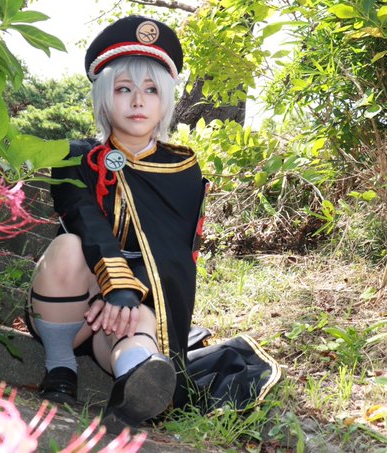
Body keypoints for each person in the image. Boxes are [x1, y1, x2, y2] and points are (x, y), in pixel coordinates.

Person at [26, 16, 281, 435]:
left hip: (129, 313)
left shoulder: (183, 168)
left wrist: (129, 298)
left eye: (151, 90)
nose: (137, 102)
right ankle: (60, 368)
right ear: (104, 97)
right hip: (70, 300)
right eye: (124, 89)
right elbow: (85, 220)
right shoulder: (74, 156)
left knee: (140, 322)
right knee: (68, 246)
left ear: (165, 101)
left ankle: (136, 386)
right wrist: (115, 286)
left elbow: (174, 258)